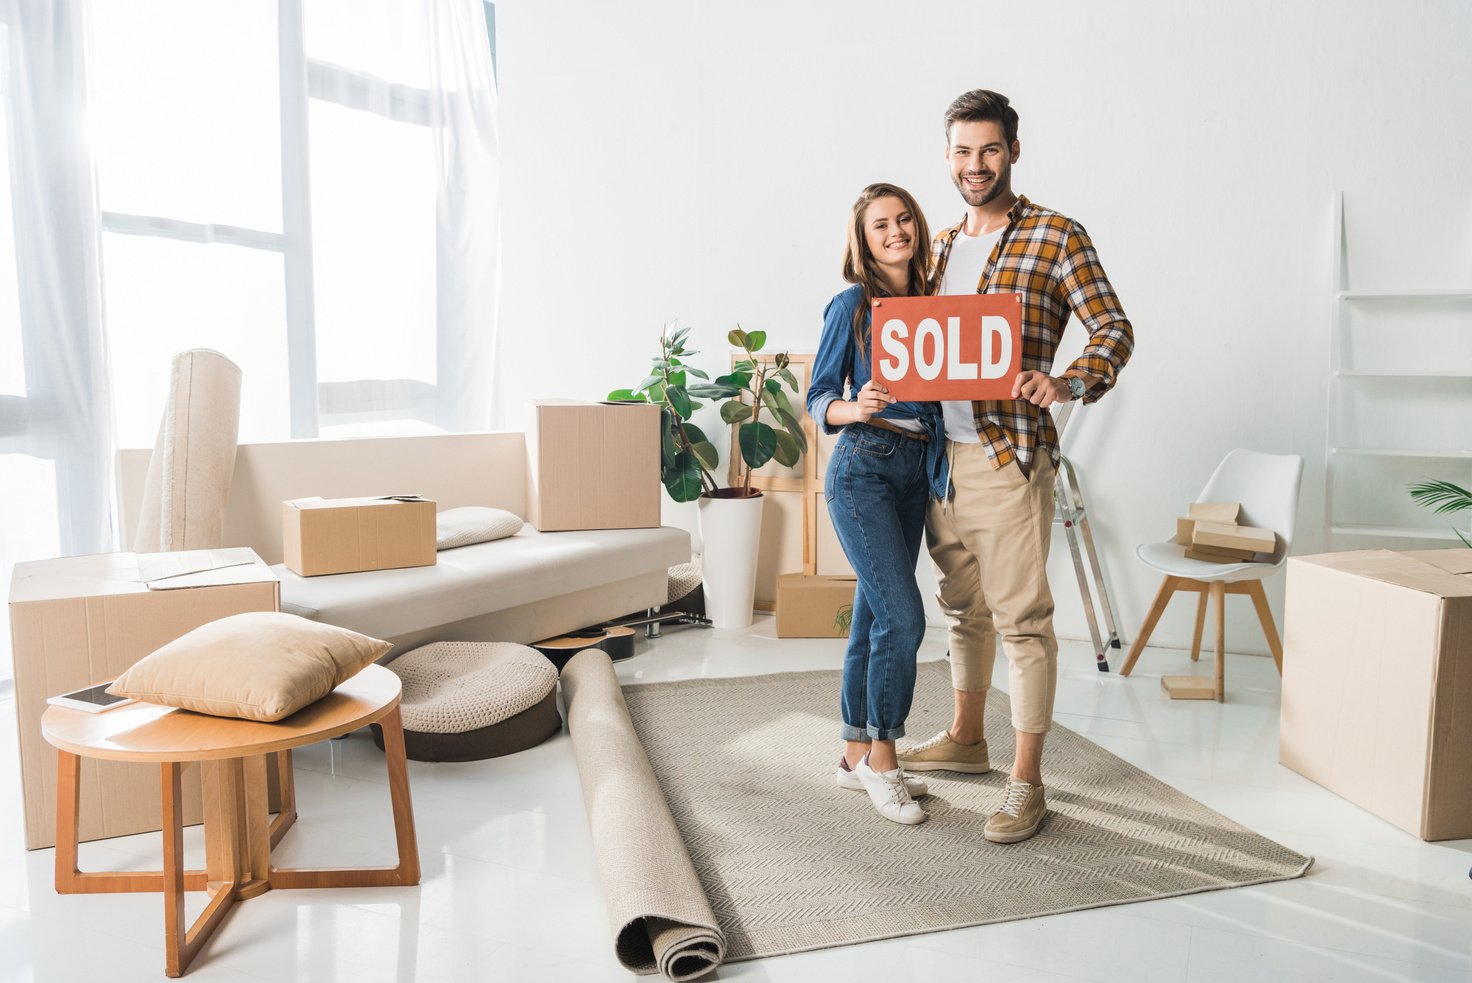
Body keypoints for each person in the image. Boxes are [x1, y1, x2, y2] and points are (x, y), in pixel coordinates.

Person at [897, 89, 1135, 843]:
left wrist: (1068, 380)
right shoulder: (934, 247)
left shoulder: (1056, 236)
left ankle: (1026, 783)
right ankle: (967, 740)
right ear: (947, 156)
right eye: (963, 152)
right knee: (962, 607)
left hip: (1007, 457)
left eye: (989, 150)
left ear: (1014, 152)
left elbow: (1113, 327)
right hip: (940, 458)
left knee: (1023, 622)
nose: (976, 165)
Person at [808, 183, 948, 826]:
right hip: (864, 467)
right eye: (879, 226)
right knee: (905, 619)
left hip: (917, 472)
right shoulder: (852, 305)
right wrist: (852, 405)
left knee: (874, 619)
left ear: (916, 226)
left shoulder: (936, 304)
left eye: (902, 220)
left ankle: (851, 754)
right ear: (862, 240)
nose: (895, 232)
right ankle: (883, 759)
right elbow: (817, 400)